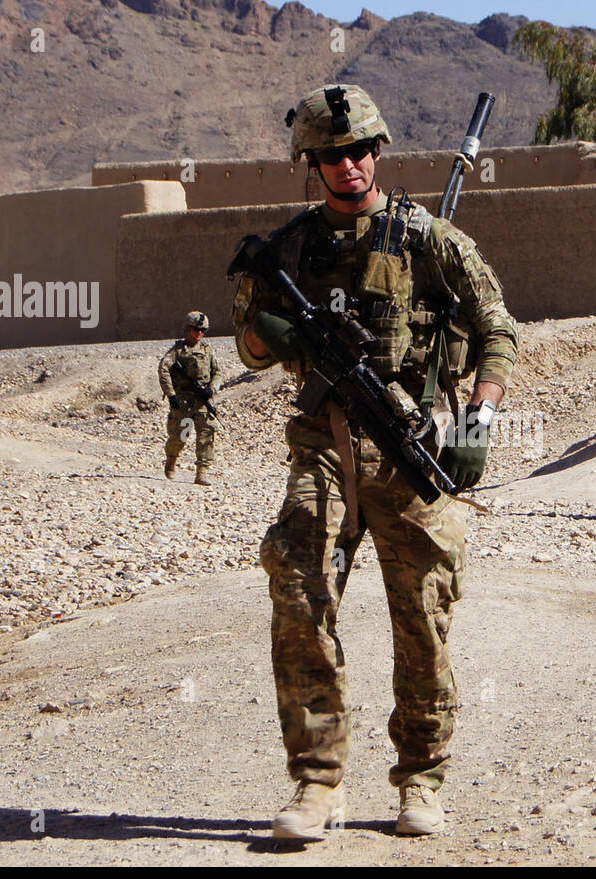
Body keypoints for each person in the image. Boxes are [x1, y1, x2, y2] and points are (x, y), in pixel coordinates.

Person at [227, 85, 518, 840]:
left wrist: (480, 418)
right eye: (332, 155)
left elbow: (498, 331)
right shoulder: (287, 249)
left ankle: (421, 778)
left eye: (360, 151)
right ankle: (317, 783)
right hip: (323, 446)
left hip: (408, 446)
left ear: (377, 152)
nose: (349, 165)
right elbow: (249, 352)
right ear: (311, 162)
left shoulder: (429, 239)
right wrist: (276, 334)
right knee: (296, 584)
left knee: (422, 616)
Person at [158, 310, 220, 486]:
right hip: (183, 401)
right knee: (180, 436)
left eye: (202, 330)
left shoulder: (208, 351)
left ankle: (202, 473)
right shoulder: (178, 350)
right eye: (195, 329)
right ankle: (171, 460)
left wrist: (212, 389)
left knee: (207, 434)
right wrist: (171, 395)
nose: (199, 333)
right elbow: (163, 369)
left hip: (202, 401)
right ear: (187, 329)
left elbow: (218, 372)